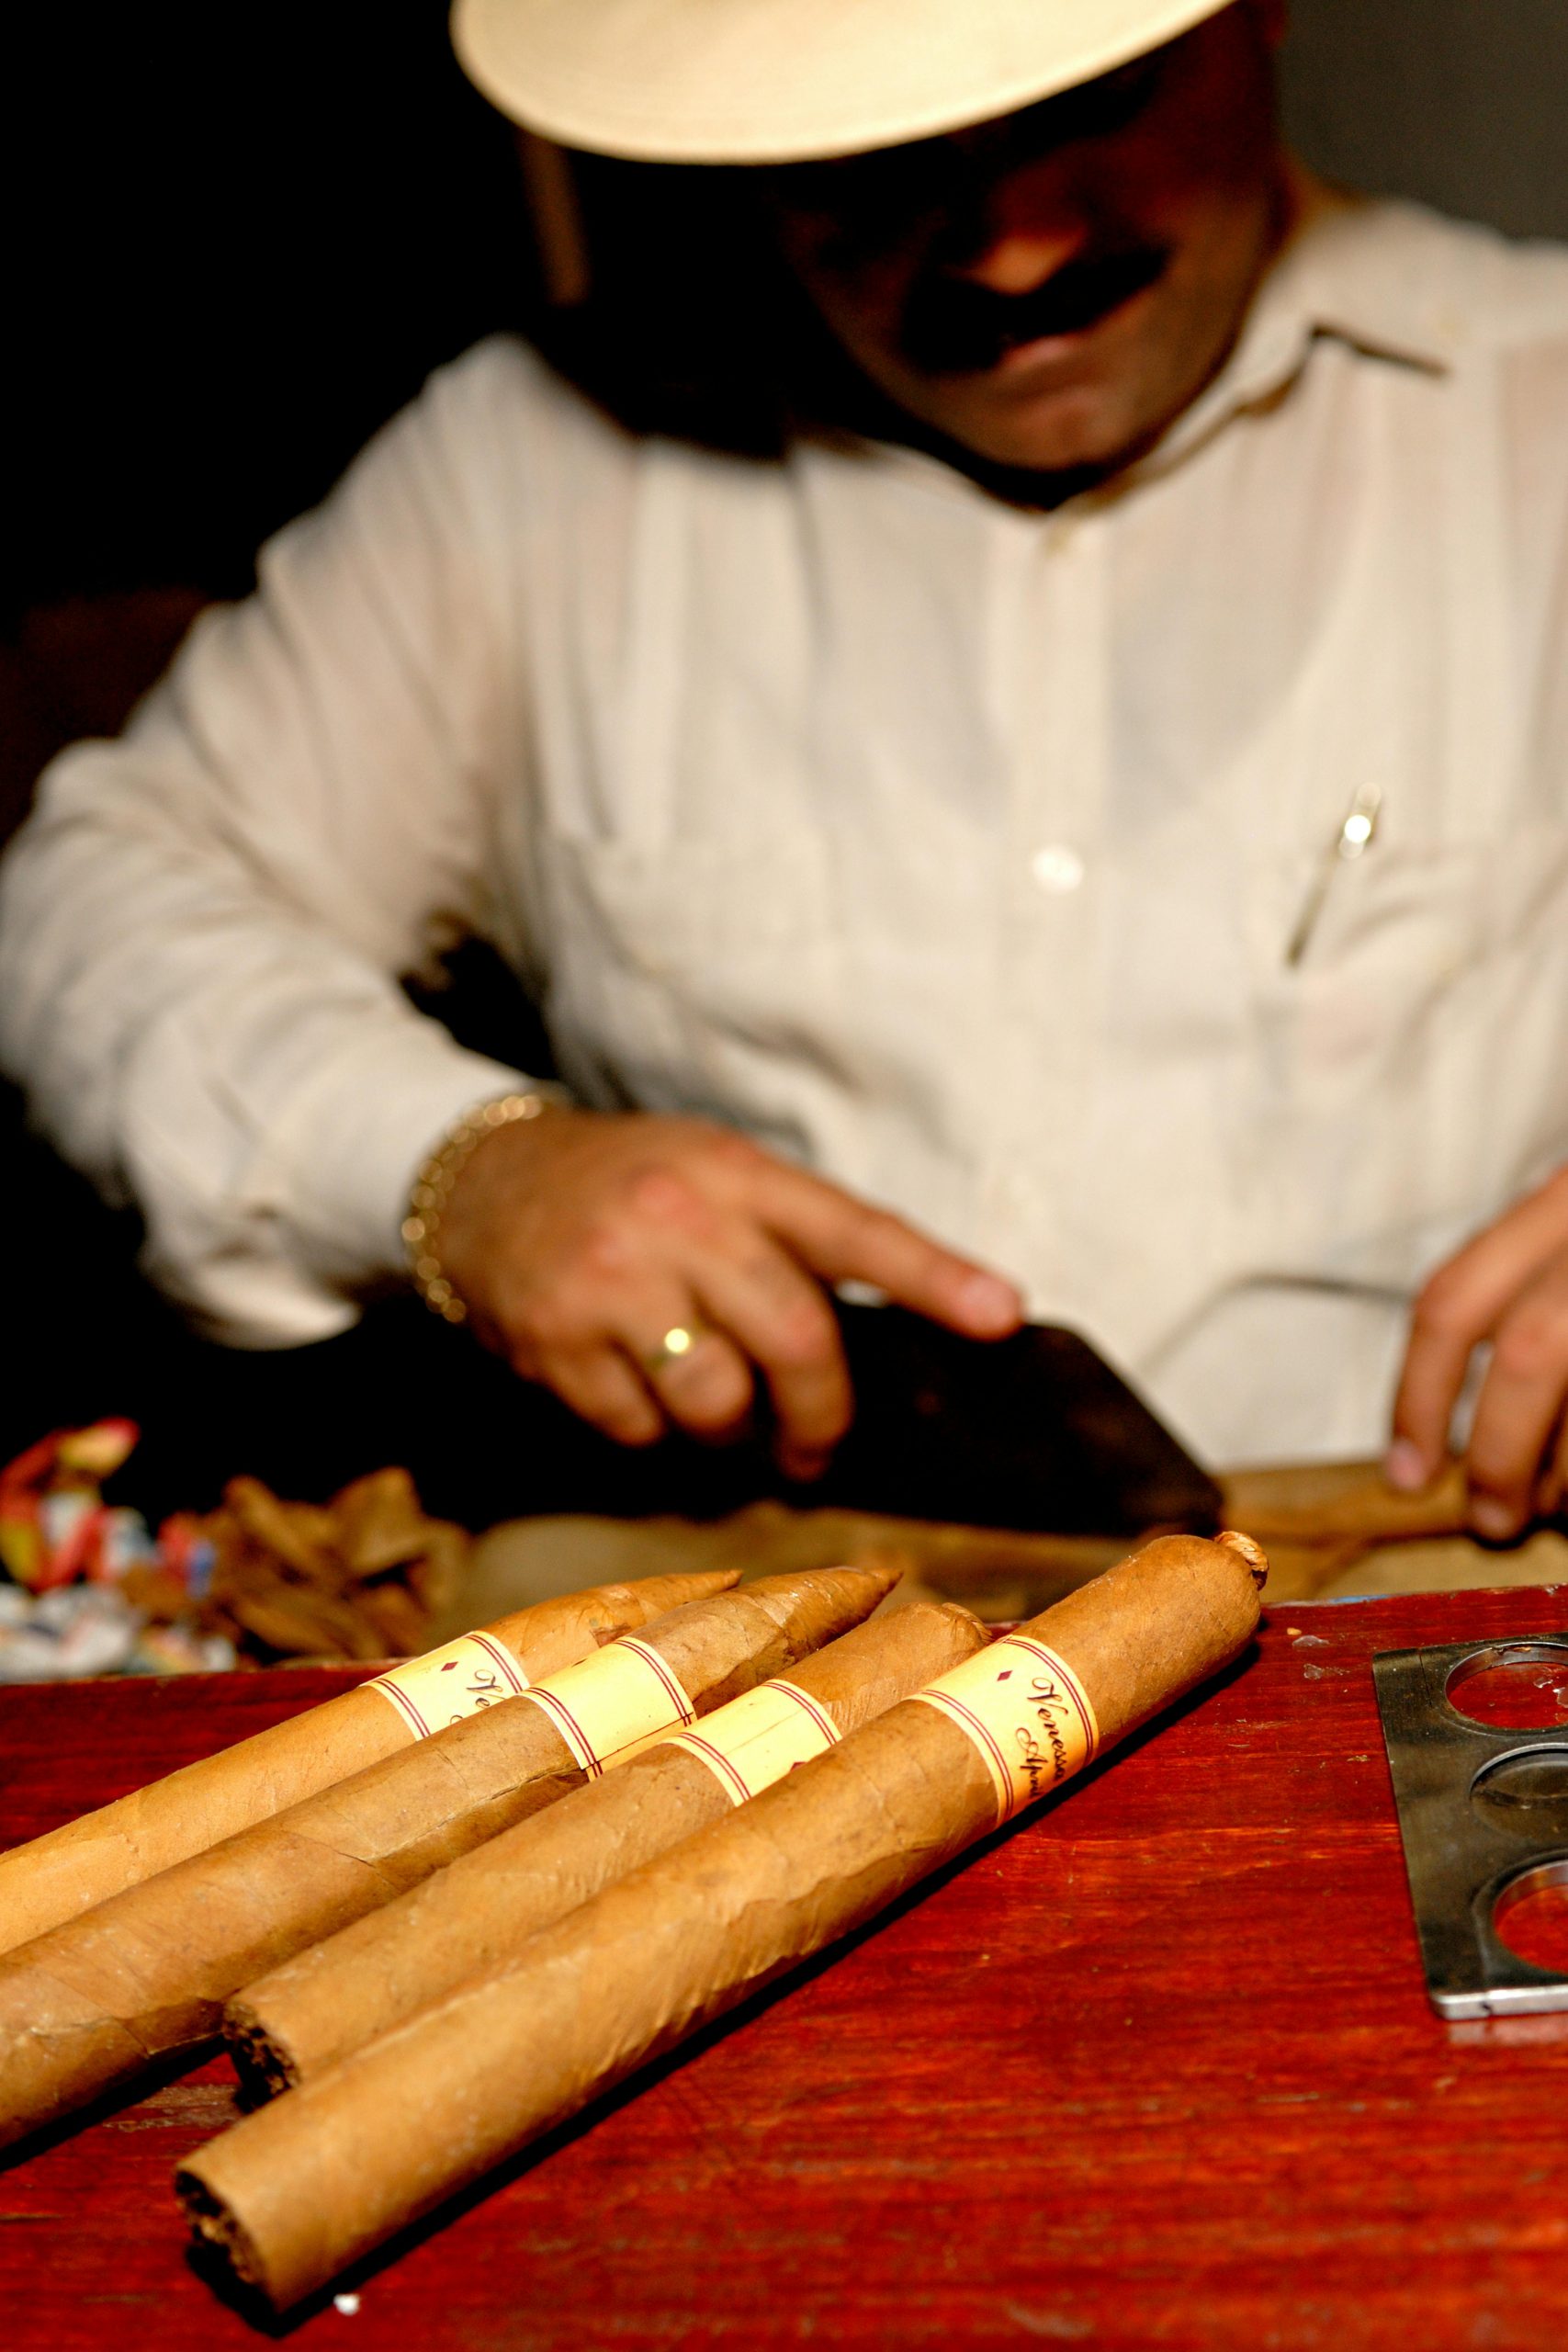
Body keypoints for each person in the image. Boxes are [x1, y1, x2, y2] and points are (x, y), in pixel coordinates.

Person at [5, 0, 1568, 1538]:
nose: (1011, 252)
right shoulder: (530, 462)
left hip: (1438, 1628)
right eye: (875, 160)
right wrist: (461, 1172)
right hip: (768, 1647)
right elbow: (90, 904)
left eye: (1096, 103)